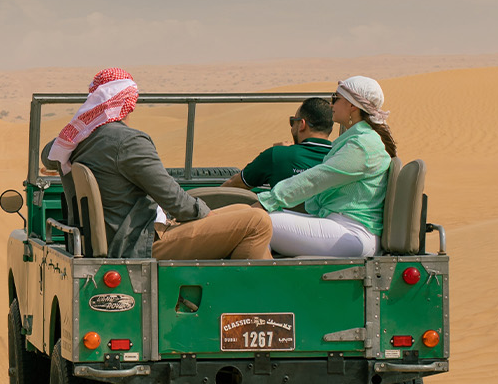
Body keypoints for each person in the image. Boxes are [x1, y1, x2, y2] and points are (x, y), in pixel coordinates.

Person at [48, 69, 272, 260]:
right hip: (138, 244)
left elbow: (48, 153)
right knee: (257, 221)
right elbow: (175, 200)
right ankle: (252, 304)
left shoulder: (74, 143)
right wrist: (205, 215)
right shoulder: (128, 142)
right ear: (129, 103)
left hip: (123, 237)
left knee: (243, 209)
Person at [255, 76, 397, 258]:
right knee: (266, 218)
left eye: (335, 98)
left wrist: (266, 201)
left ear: (352, 105)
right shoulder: (359, 139)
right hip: (341, 225)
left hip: (352, 232)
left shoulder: (362, 146)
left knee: (261, 223)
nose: (332, 105)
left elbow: (316, 179)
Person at [223, 96, 334, 190]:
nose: (291, 127)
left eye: (293, 121)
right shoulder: (342, 155)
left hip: (285, 215)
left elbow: (232, 185)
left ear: (302, 124)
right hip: (328, 216)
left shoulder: (277, 155)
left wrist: (283, 152)